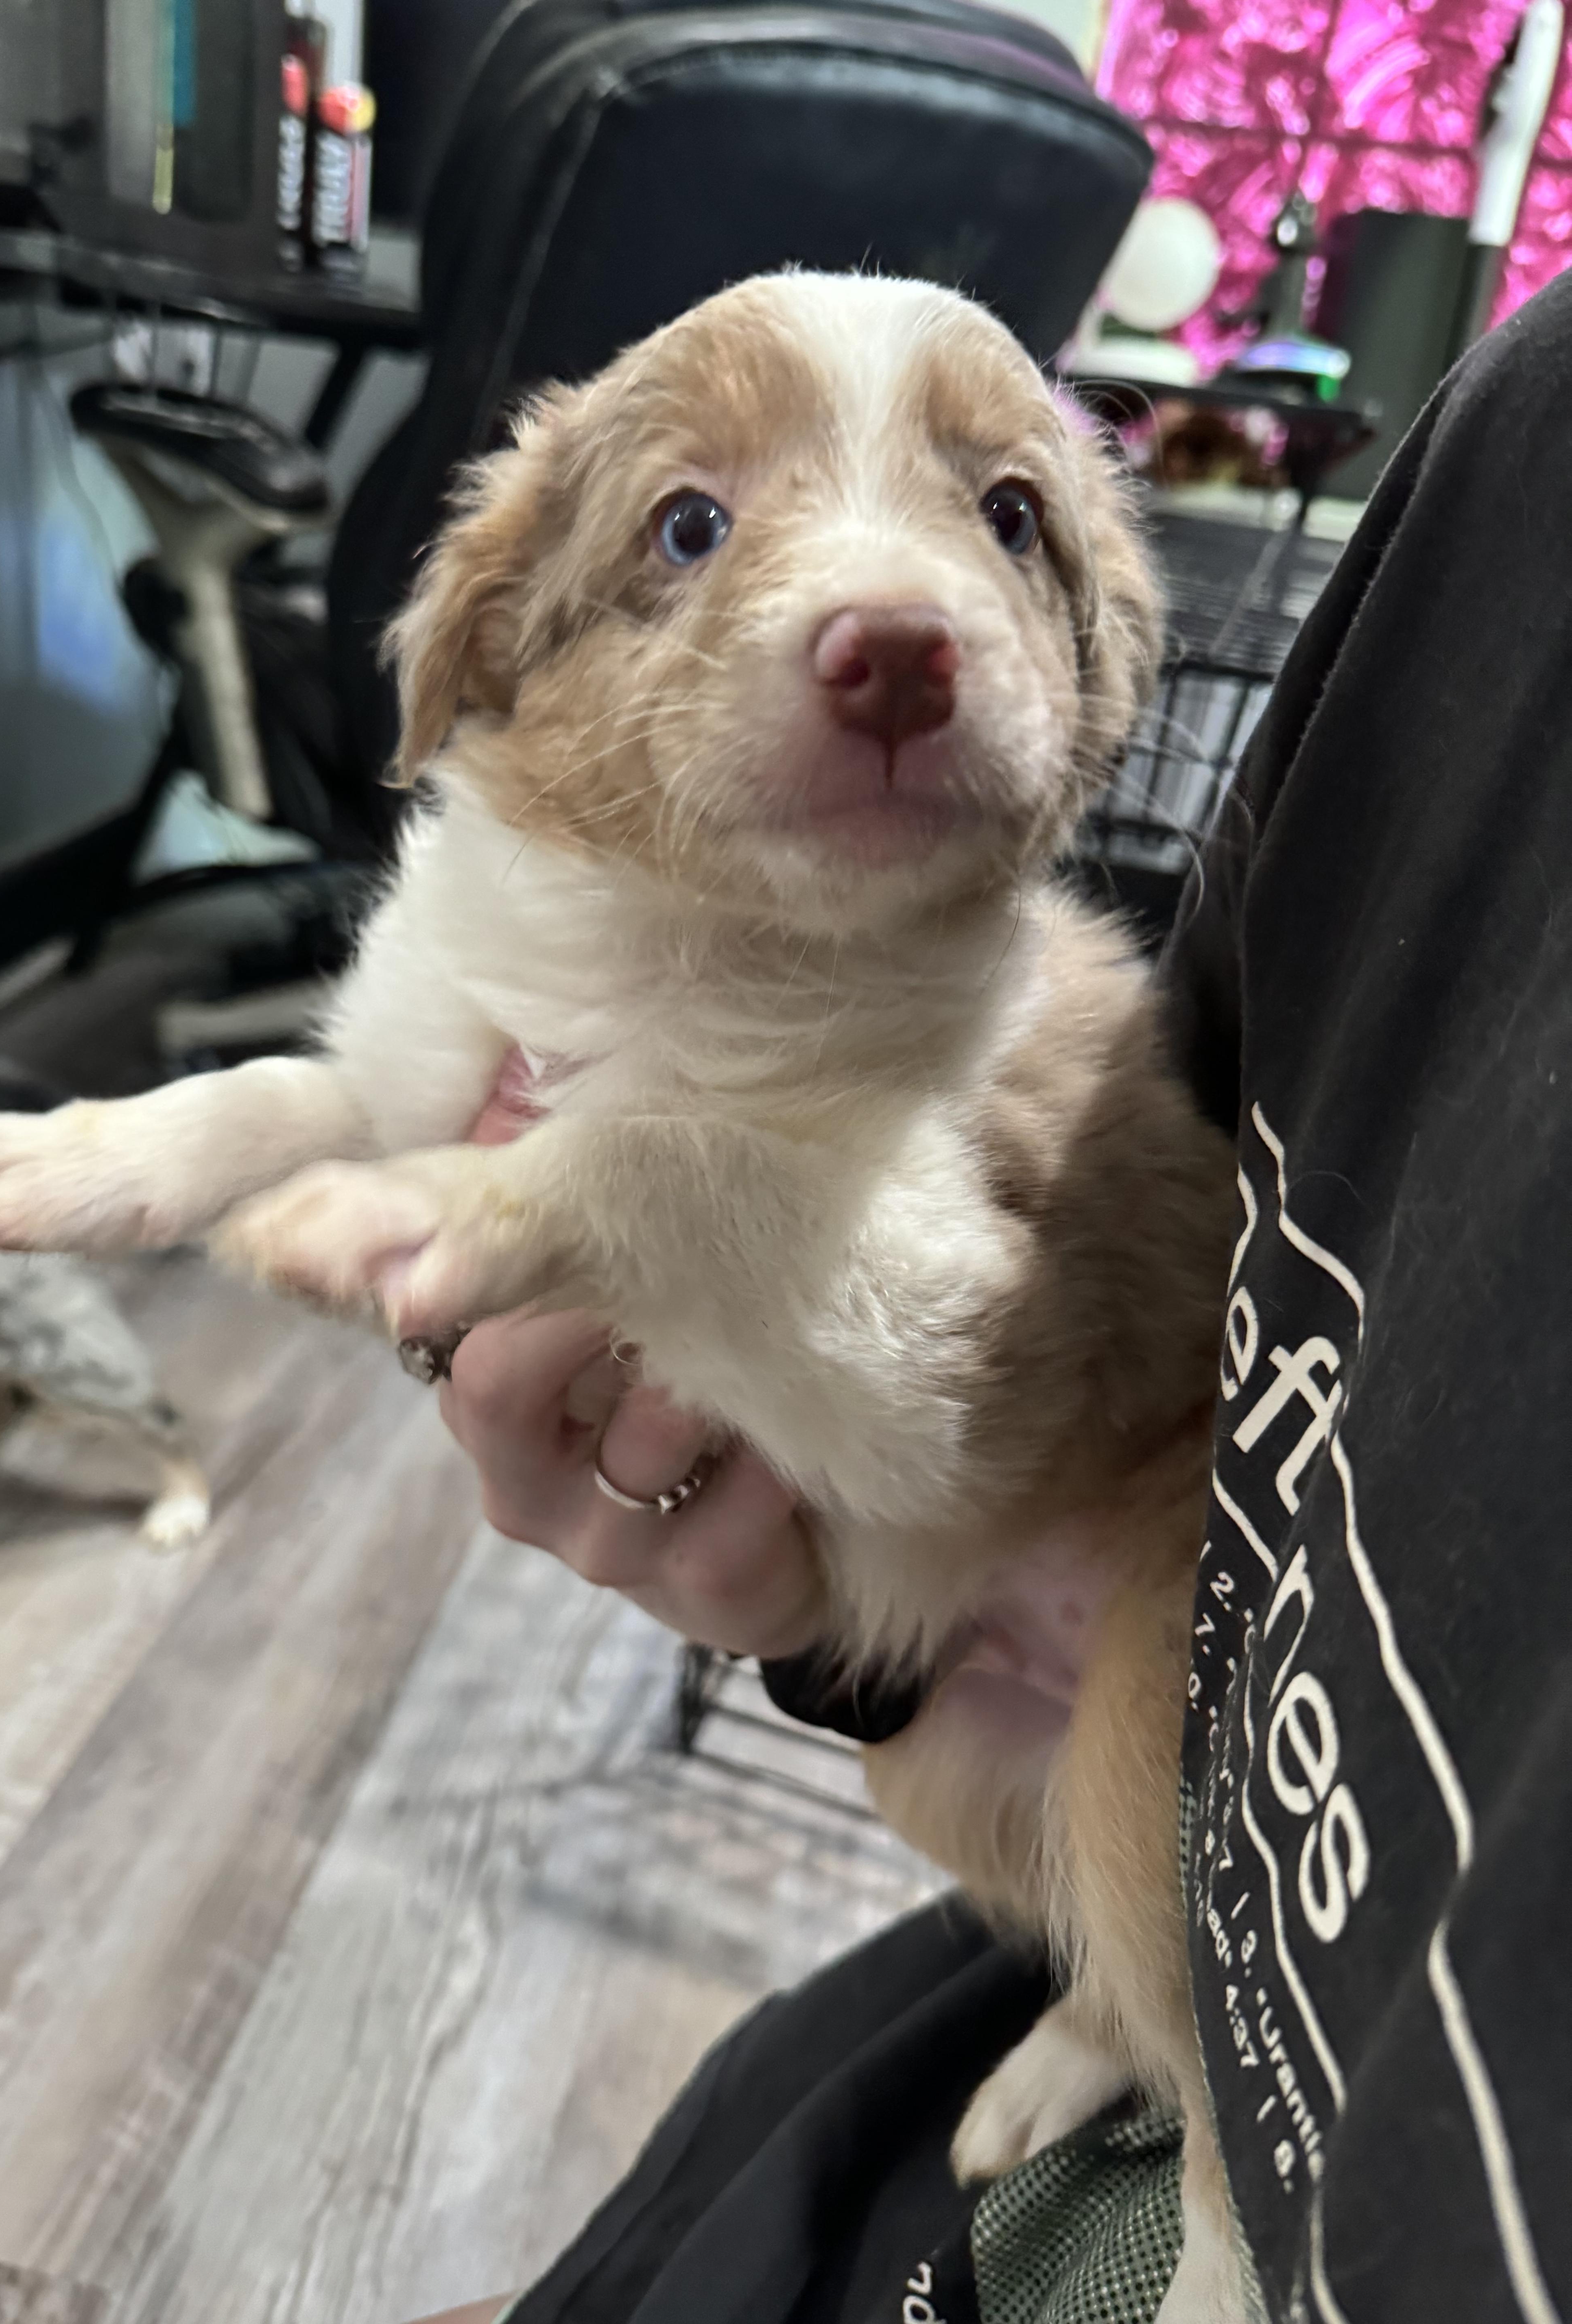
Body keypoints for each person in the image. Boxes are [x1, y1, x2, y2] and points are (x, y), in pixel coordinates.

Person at [407, 266, 1572, 2324]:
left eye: (1006, 516)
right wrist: (827, 1614)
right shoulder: (1511, 472)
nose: (890, 609)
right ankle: (1129, 2011)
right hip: (1054, 1799)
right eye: (698, 521)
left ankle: (1173, 2103)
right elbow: (1190, 1261)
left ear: (1099, 637)